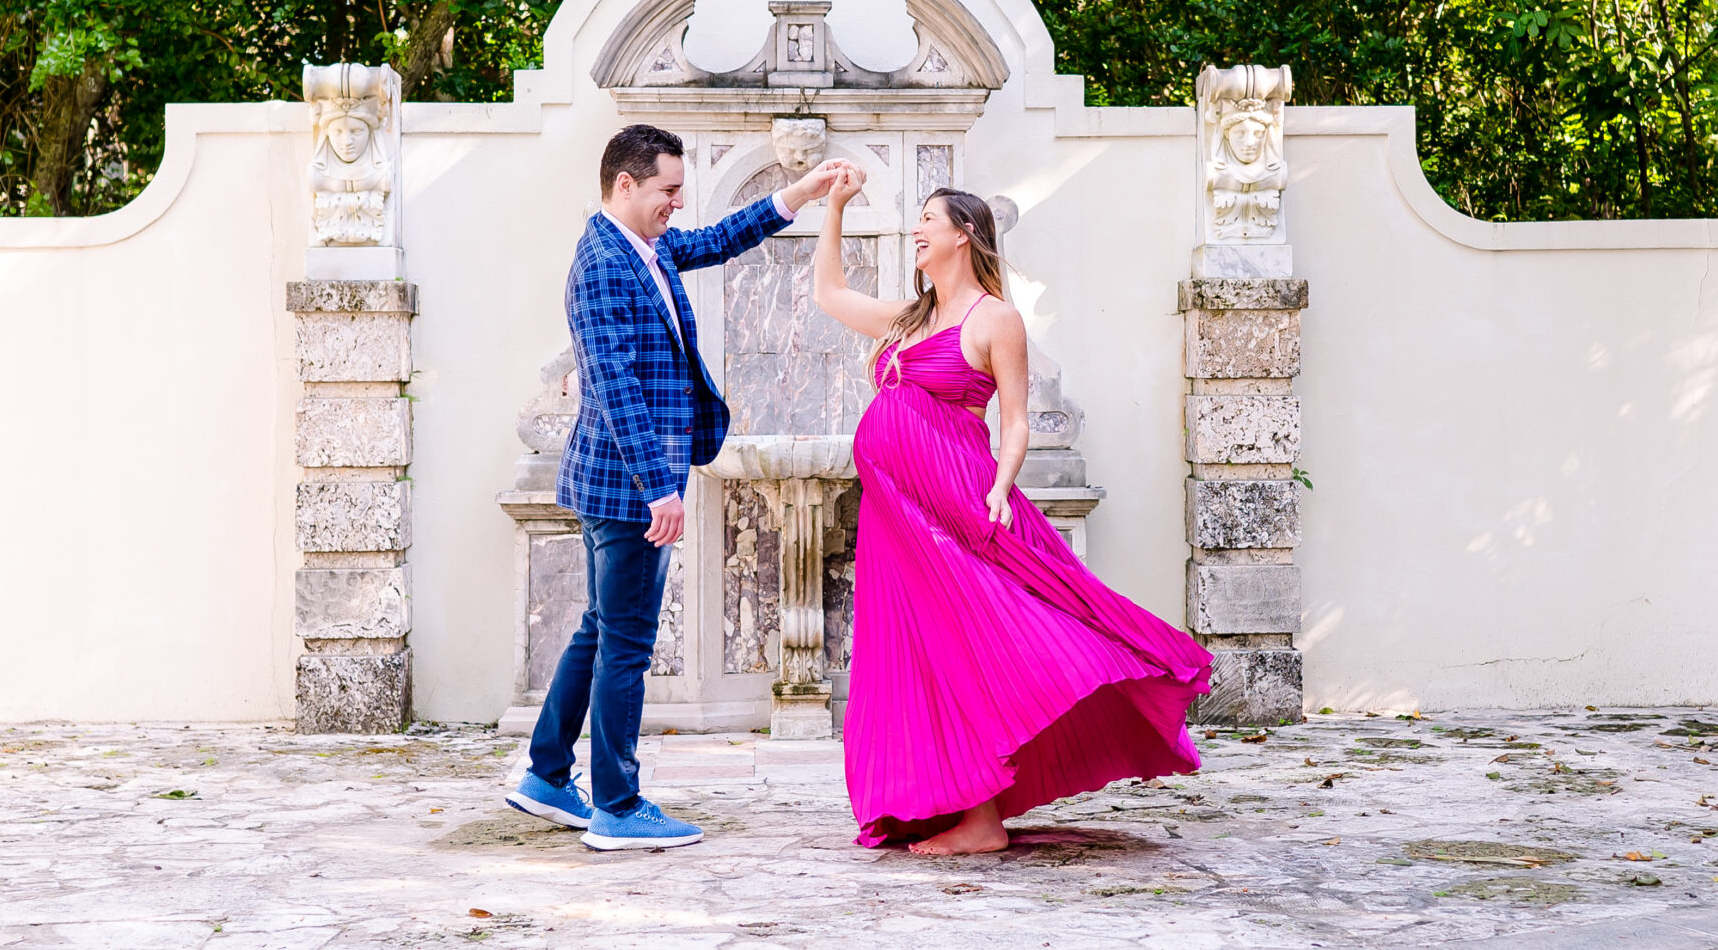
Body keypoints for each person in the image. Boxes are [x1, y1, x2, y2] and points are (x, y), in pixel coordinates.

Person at [811, 166, 1212, 853]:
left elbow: (1017, 419)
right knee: (926, 652)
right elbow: (829, 292)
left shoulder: (995, 318)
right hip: (896, 515)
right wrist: (834, 209)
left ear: (962, 236)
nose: (916, 230)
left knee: (984, 640)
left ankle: (983, 818)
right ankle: (958, 803)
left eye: (928, 221)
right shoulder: (912, 319)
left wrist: (1002, 483)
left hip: (957, 503)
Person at [506, 123, 852, 851]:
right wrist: (658, 487)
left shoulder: (646, 246)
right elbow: (613, 386)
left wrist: (802, 191)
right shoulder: (603, 261)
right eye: (667, 189)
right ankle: (619, 806)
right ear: (624, 184)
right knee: (627, 643)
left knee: (601, 628)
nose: (677, 203)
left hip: (626, 479)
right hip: (630, 484)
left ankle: (544, 772)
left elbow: (720, 239)